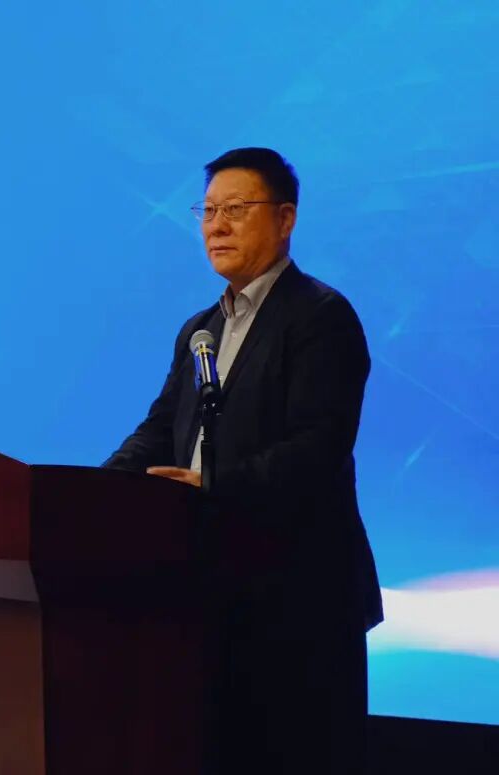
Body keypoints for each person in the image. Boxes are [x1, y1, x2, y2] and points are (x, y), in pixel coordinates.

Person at [103, 147, 383, 774]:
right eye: (207, 212)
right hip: (207, 591)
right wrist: (96, 490)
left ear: (285, 219)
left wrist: (210, 485)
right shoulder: (200, 329)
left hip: (298, 600)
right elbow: (161, 429)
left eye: (235, 209)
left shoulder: (321, 317)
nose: (216, 226)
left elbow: (319, 447)